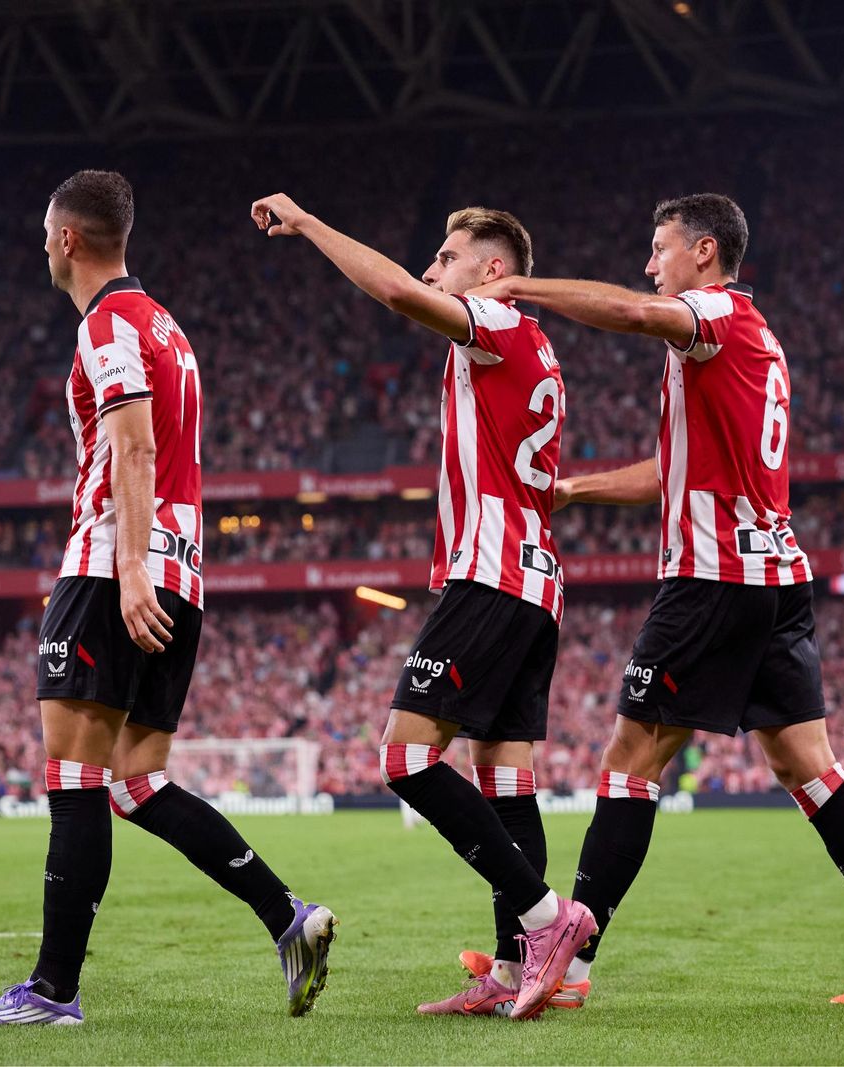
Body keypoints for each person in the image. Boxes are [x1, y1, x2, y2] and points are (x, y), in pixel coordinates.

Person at [468, 193, 844, 1006]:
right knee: (808, 767)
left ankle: (568, 968)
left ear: (702, 251)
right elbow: (674, 471)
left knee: (630, 760)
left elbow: (631, 312)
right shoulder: (756, 339)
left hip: (713, 579)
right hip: (777, 579)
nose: (649, 265)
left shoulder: (712, 315)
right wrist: (580, 488)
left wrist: (520, 286)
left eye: (659, 248)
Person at [0, 171, 336, 1027]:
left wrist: (128, 568)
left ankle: (52, 990)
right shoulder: (167, 325)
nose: (43, 246)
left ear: (67, 239)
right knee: (136, 779)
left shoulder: (109, 323)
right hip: (184, 569)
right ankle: (287, 915)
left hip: (112, 565)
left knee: (74, 774)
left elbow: (133, 449)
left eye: (45, 234)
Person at [250, 192, 592, 1021]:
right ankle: (513, 969)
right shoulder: (536, 348)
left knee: (405, 758)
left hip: (491, 573)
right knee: (504, 777)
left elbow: (399, 293)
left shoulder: (497, 321)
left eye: (449, 255)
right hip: (534, 582)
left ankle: (547, 919)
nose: (433, 268)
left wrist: (311, 223)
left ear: (494, 270)